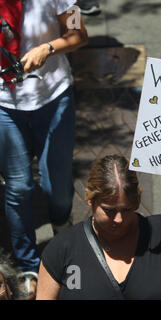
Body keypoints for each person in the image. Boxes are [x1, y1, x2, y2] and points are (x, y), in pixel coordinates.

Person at [35, 155, 161, 299]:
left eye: (126, 209)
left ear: (138, 200)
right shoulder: (62, 248)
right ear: (90, 199)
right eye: (109, 210)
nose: (118, 219)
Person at [0, 0, 88, 299]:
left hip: (53, 98)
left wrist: (48, 48)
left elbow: (79, 35)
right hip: (5, 107)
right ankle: (27, 264)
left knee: (58, 186)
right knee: (18, 186)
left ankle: (63, 231)